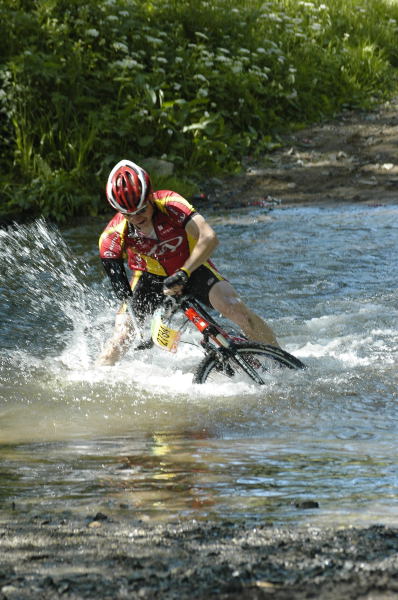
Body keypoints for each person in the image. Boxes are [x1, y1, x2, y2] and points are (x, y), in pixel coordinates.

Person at [97, 159, 279, 366]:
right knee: (118, 340)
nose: (137, 218)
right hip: (148, 278)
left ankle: (282, 361)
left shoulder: (170, 203)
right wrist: (139, 323)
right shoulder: (113, 234)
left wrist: (184, 272)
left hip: (193, 267)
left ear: (150, 197)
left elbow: (209, 237)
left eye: (141, 210)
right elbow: (122, 292)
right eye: (128, 214)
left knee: (235, 309)